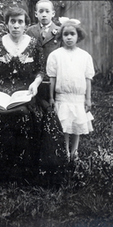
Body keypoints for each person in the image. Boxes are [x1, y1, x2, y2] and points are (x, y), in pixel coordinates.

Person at [0, 7, 66, 182]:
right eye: (12, 22)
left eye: (20, 22)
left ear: (26, 24)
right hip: (1, 90)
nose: (16, 26)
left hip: (25, 90)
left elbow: (41, 70)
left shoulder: (33, 44)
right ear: (7, 24)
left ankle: (22, 168)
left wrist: (35, 83)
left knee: (24, 113)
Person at [46, 20, 95, 161]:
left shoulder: (85, 56)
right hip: (63, 96)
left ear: (78, 36)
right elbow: (52, 78)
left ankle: (75, 151)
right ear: (61, 36)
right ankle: (65, 151)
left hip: (78, 96)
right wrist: (51, 97)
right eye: (65, 34)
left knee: (77, 123)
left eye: (72, 34)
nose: (69, 37)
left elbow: (88, 78)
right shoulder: (56, 55)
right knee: (65, 125)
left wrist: (88, 98)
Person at [26, 0, 61, 101]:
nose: (44, 14)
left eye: (47, 11)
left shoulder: (59, 31)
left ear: (53, 14)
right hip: (34, 74)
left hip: (53, 75)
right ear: (36, 14)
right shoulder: (30, 31)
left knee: (51, 101)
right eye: (41, 11)